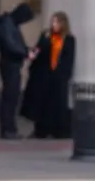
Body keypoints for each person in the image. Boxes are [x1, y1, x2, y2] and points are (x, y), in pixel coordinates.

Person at [20, 11, 76, 140]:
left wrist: (64, 75)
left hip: (59, 77)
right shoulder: (46, 35)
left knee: (57, 104)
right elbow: (38, 51)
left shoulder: (69, 39)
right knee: (43, 103)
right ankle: (41, 129)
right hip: (44, 75)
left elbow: (69, 59)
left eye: (57, 22)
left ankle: (58, 130)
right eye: (53, 21)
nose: (54, 24)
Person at [0, 2, 36, 139]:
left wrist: (26, 50)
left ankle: (10, 128)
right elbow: (10, 45)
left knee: (12, 97)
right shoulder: (7, 25)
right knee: (10, 97)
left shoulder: (11, 24)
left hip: (12, 64)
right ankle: (7, 129)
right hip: (10, 64)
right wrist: (25, 53)